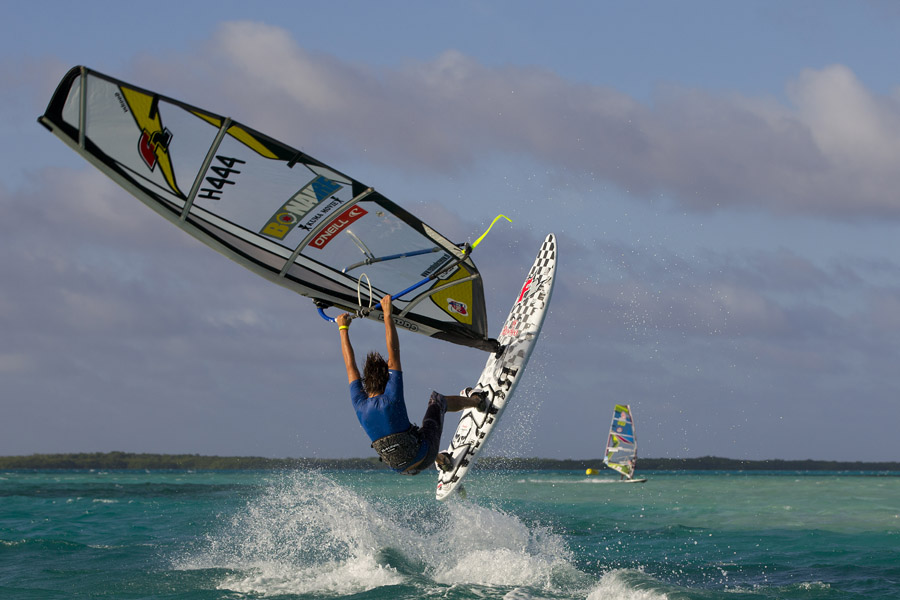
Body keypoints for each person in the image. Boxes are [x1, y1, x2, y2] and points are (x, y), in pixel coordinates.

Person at [337, 294, 486, 475]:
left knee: (411, 434)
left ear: (365, 383)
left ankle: (444, 461)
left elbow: (350, 366)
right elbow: (393, 354)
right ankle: (478, 401)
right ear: (386, 378)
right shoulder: (391, 396)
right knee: (437, 401)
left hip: (402, 469)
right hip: (424, 455)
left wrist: (343, 328)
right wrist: (387, 314)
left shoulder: (359, 404)